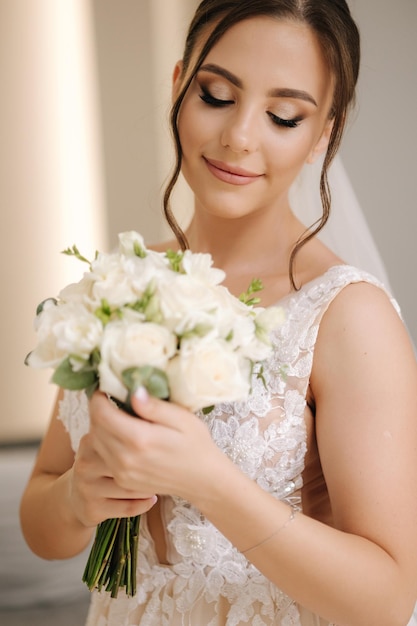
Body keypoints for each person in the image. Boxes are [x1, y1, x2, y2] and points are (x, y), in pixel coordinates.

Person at [20, 1, 417, 625]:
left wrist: (213, 483)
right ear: (179, 84)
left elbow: (389, 600)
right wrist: (78, 497)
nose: (239, 137)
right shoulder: (120, 284)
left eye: (284, 116)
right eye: (216, 95)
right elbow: (43, 523)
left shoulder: (347, 318)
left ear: (323, 136)